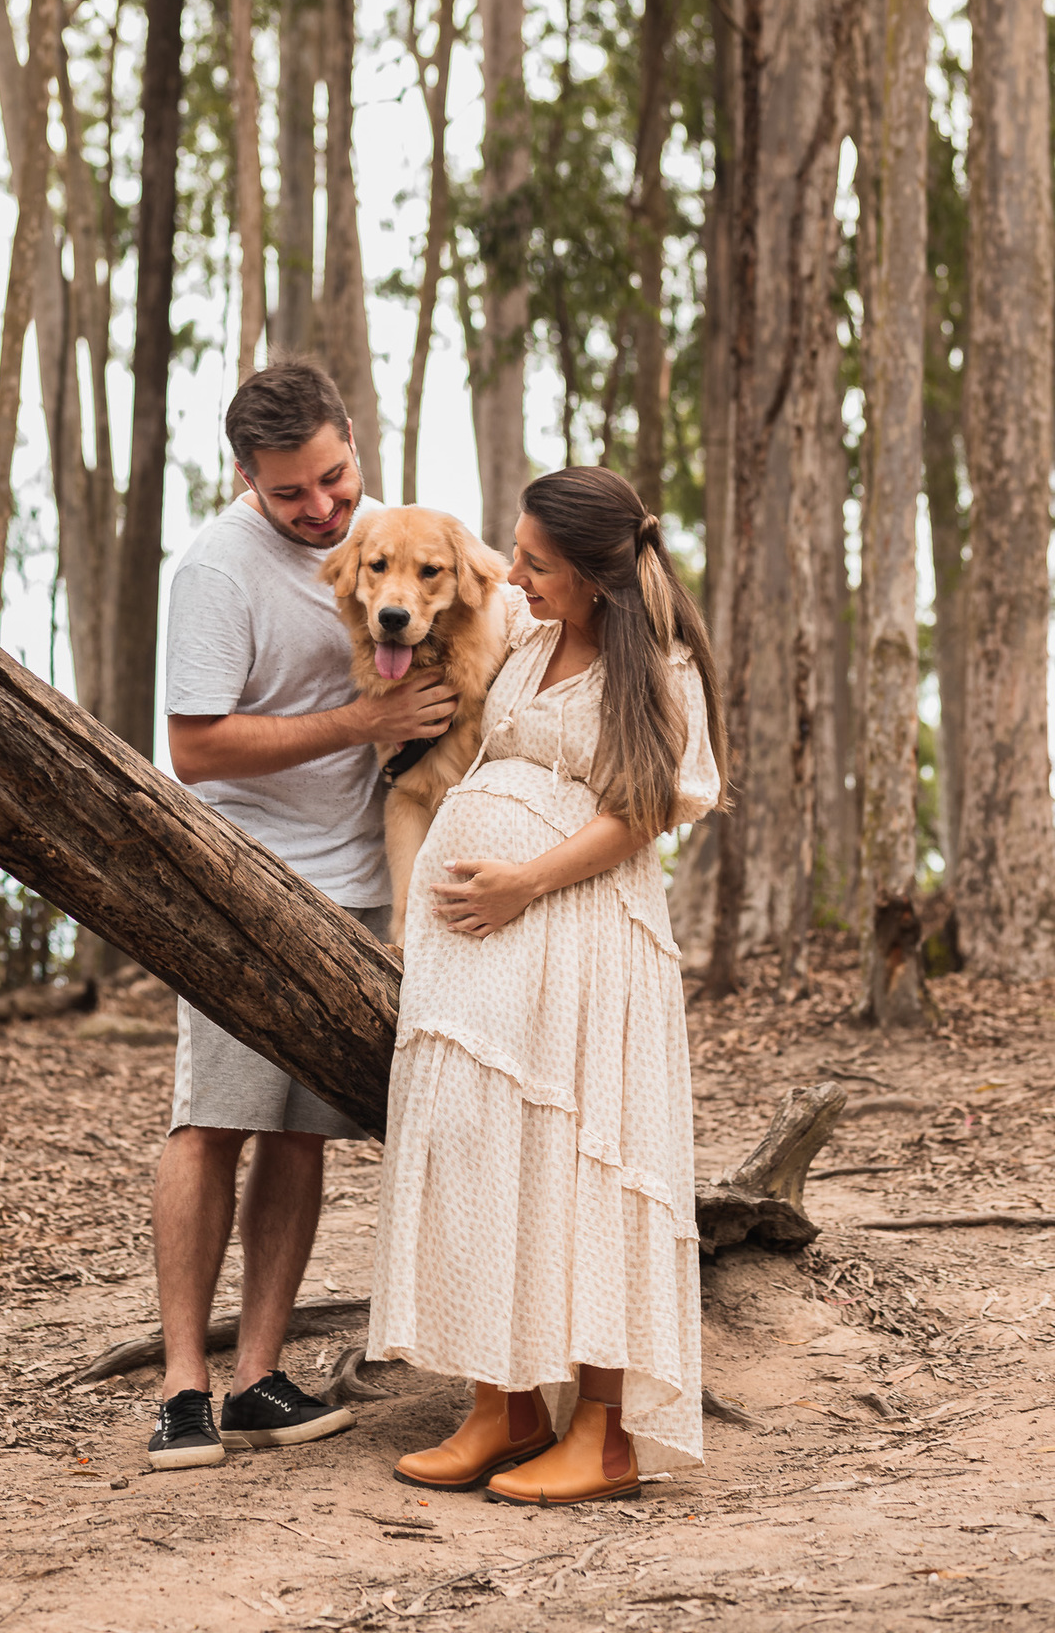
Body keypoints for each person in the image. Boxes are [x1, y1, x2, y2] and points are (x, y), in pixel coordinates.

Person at [366, 466, 726, 1505]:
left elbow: (649, 807)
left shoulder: (655, 667)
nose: (509, 573)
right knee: (489, 1161)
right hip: (488, 961)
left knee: (587, 1173)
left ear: (597, 577)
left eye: (533, 562)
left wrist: (522, 879)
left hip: (583, 940)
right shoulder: (524, 640)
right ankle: (505, 1403)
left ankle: (607, 1432)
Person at [149, 354, 459, 1470]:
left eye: (336, 478)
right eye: (293, 495)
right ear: (246, 479)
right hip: (238, 876)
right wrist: (358, 723)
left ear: (350, 442)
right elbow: (192, 749)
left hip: (366, 880)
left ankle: (260, 1377)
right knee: (215, 1118)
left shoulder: (388, 540)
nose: (324, 509)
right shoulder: (215, 572)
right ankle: (184, 1389)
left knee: (301, 1131)